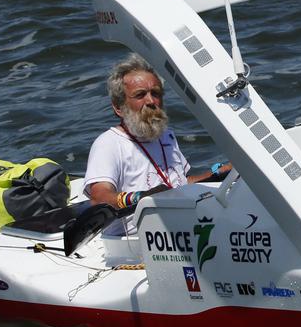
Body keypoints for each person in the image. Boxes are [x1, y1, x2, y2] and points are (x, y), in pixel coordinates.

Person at [84, 54, 228, 212]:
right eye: (140, 95)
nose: (151, 101)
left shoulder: (166, 135)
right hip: (136, 234)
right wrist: (142, 197)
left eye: (155, 93)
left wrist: (218, 173)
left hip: (179, 224)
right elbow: (99, 199)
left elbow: (180, 184)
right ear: (119, 107)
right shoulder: (109, 143)